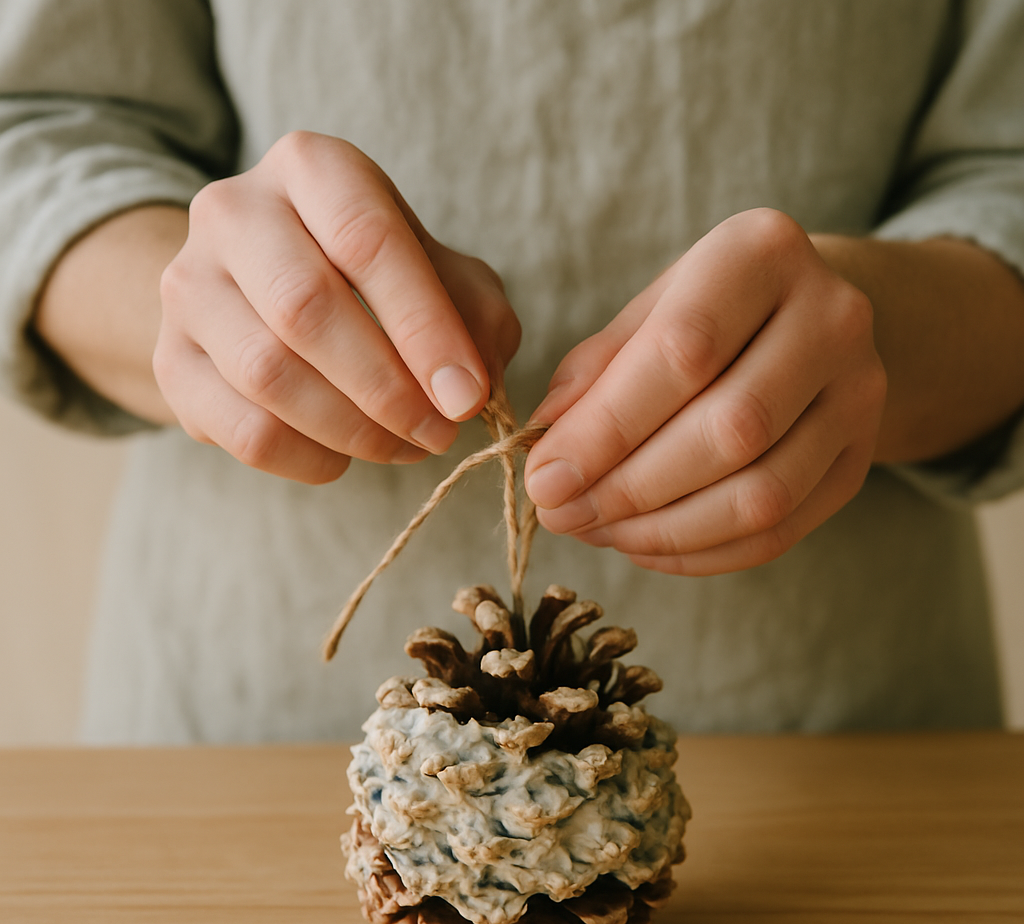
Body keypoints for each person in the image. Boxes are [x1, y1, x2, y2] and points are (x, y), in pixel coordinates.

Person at [2, 0, 1023, 743]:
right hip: (227, 751)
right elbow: (36, 132)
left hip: (870, 769)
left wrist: (890, 327)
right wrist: (201, 312)